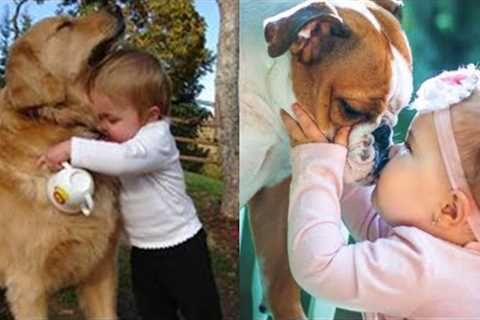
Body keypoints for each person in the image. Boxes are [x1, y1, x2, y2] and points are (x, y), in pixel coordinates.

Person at [280, 67, 480, 319]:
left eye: (409, 147)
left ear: (449, 209)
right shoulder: (447, 249)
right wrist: (344, 157)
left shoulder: (425, 270)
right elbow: (371, 224)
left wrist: (317, 164)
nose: (394, 148)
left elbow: (320, 267)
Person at [38, 48, 222, 320]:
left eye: (111, 119)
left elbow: (124, 160)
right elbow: (105, 160)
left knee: (200, 309)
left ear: (150, 115)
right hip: (143, 250)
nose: (102, 126)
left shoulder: (156, 139)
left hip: (182, 247)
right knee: (153, 311)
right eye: (99, 117)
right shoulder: (119, 140)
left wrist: (72, 148)